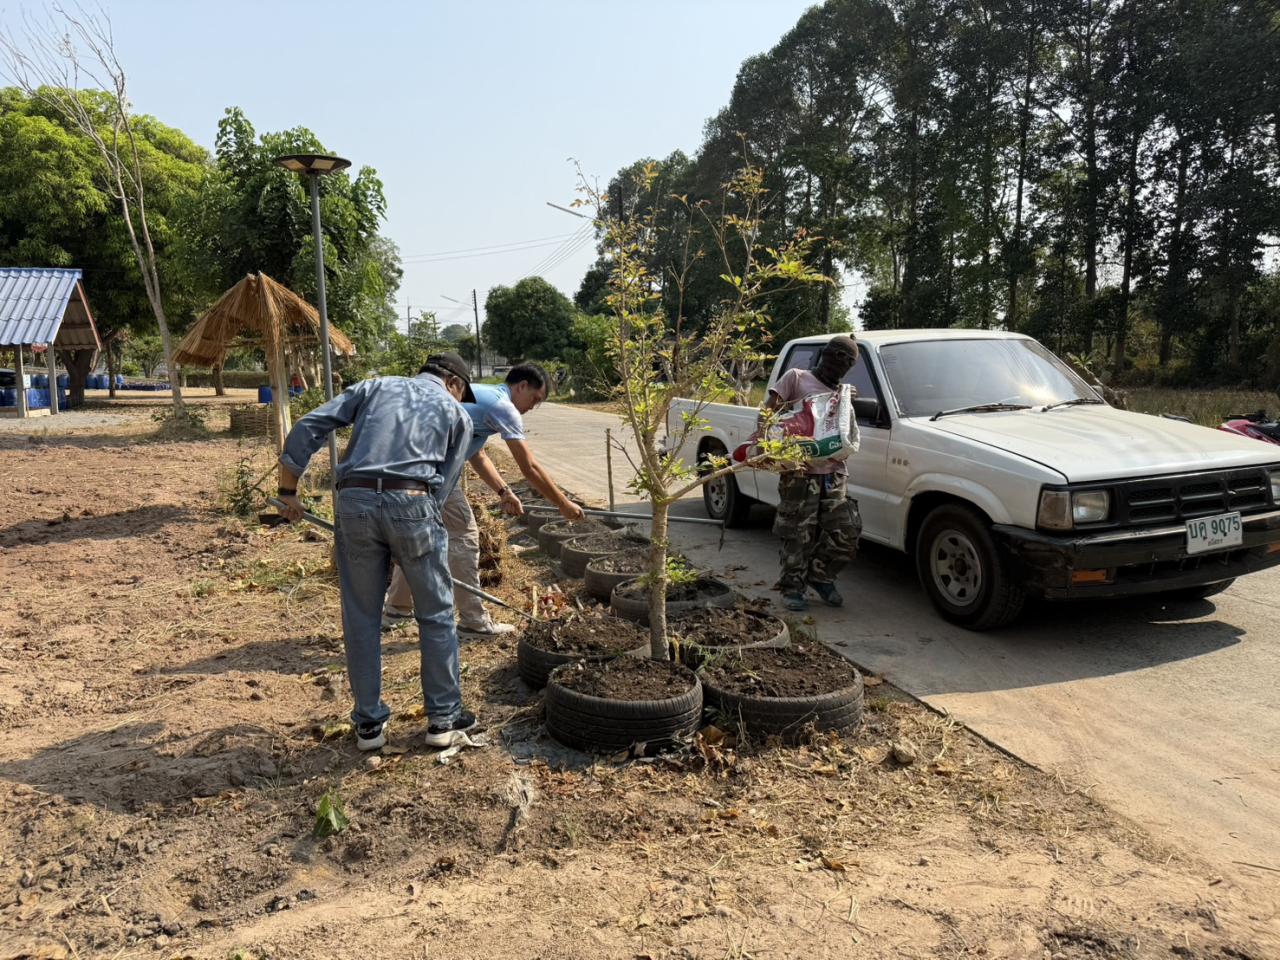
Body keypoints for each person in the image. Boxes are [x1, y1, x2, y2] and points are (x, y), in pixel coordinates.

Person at [276, 351, 477, 751]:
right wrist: (413, 526)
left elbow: (309, 424)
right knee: (436, 614)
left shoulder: (374, 387)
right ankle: (443, 720)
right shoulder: (458, 414)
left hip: (355, 502)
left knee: (362, 616)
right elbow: (445, 482)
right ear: (454, 383)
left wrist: (287, 491)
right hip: (414, 500)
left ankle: (369, 726)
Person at [383, 362, 585, 633]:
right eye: (535, 399)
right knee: (464, 537)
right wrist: (563, 504)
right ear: (521, 386)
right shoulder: (502, 407)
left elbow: (475, 454)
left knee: (420, 537)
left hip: (408, 466)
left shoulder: (482, 396)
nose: (532, 407)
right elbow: (530, 468)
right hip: (428, 471)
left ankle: (396, 610)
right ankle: (473, 620)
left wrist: (504, 491)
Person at [760, 335, 863, 612]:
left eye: (844, 363)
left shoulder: (844, 392)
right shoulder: (796, 377)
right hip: (800, 472)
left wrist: (846, 399)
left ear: (849, 366)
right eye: (833, 359)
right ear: (824, 355)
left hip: (834, 472)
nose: (835, 367)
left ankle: (821, 576)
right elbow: (767, 414)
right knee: (798, 532)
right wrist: (765, 445)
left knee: (846, 531)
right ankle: (793, 587)